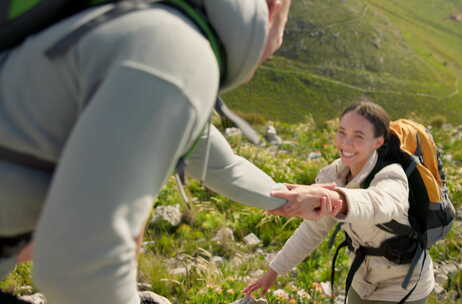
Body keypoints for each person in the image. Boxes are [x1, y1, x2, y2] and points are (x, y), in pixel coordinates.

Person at [0, 1, 342, 303]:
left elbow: (222, 167)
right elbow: (81, 263)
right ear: (274, 6)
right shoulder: (175, 54)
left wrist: (292, 199)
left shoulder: (163, 35)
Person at [244, 101, 435, 304]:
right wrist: (273, 272)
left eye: (358, 136)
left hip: (403, 285)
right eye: (342, 132)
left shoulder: (392, 175)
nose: (346, 143)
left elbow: (379, 204)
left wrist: (334, 199)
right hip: (363, 280)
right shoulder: (334, 174)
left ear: (378, 141)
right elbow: (312, 230)